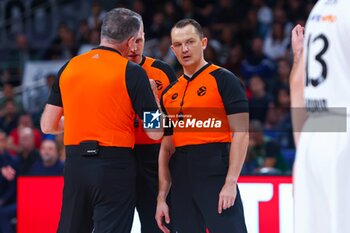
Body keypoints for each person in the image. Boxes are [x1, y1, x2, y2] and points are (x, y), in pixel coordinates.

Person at [40, 8, 162, 233]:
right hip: (114, 166)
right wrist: (155, 100)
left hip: (76, 164)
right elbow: (155, 131)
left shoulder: (69, 67)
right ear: (131, 41)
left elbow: (47, 125)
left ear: (103, 33)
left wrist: (83, 118)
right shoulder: (133, 72)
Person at [155, 19, 248, 233]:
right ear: (172, 49)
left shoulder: (224, 79)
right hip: (181, 178)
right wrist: (162, 197)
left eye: (190, 42)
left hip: (215, 172)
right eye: (178, 44)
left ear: (203, 42)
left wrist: (230, 182)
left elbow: (242, 133)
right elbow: (166, 147)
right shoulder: (169, 93)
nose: (184, 49)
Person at [290, 1, 350, 232]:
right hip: (343, 130)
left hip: (312, 134)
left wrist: (301, 153)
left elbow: (297, 83)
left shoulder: (320, 8)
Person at [127, 20, 176, 233]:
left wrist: (154, 102)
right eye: (130, 41)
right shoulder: (112, 72)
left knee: (157, 223)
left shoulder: (161, 70)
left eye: (139, 40)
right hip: (120, 154)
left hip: (153, 155)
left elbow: (174, 120)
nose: (134, 47)